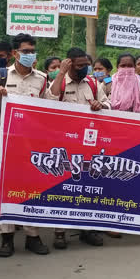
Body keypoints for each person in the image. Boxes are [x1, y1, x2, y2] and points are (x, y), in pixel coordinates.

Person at [0, 33, 50, 257]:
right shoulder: (0, 76)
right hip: (6, 140)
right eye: (25, 51)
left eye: (32, 51)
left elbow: (48, 111)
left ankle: (32, 235)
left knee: (32, 187)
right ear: (14, 53)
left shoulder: (41, 78)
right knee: (5, 187)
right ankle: (7, 238)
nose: (30, 55)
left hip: (31, 142)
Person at [48, 47, 109, 249]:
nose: (85, 68)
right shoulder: (61, 81)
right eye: (80, 65)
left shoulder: (92, 82)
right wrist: (61, 73)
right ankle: (59, 232)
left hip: (89, 142)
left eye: (86, 64)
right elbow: (51, 100)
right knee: (64, 186)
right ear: (70, 63)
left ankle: (87, 229)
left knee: (87, 186)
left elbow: (108, 104)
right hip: (65, 143)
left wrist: (101, 106)